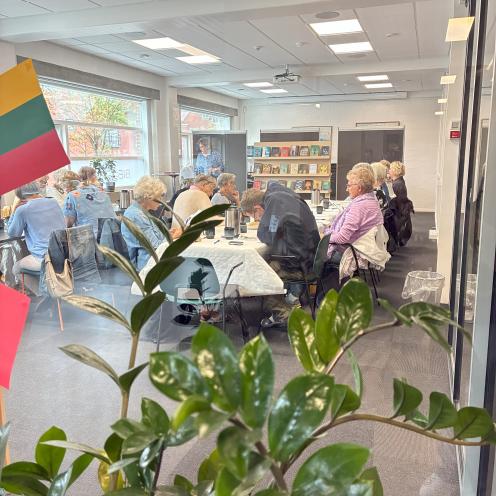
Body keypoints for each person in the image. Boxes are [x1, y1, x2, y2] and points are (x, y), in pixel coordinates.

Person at [240, 182, 320, 326]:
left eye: (255, 216)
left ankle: (282, 314)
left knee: (257, 272)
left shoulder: (274, 203)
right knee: (266, 261)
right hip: (310, 256)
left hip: (300, 265)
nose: (257, 220)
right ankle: (289, 300)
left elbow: (266, 236)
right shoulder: (280, 195)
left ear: (258, 208)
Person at [322, 166, 384, 288]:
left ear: (359, 188)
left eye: (349, 185)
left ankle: (321, 291)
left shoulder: (359, 207)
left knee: (310, 252)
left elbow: (342, 238)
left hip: (350, 252)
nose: (347, 189)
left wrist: (324, 236)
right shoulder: (371, 200)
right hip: (361, 248)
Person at [7, 181, 66, 294]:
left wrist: (14, 209)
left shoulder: (22, 210)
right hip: (64, 254)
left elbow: (13, 234)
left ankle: (43, 294)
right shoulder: (53, 202)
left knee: (16, 269)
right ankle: (49, 289)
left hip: (44, 259)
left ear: (19, 195)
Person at [122, 176, 181, 270]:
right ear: (148, 197)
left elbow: (155, 238)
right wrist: (173, 236)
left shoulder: (141, 213)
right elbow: (155, 246)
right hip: (149, 265)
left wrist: (168, 234)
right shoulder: (136, 216)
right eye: (159, 197)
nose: (161, 202)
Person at [63, 166, 115, 237]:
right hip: (112, 236)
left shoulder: (73, 195)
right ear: (95, 177)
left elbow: (68, 223)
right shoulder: (103, 193)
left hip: (89, 238)